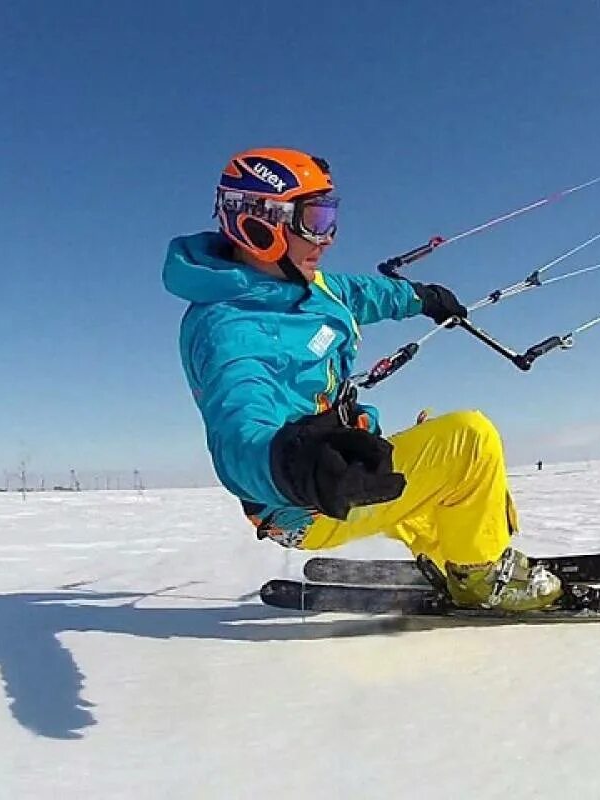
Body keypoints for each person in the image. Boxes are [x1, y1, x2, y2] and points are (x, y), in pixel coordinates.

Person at [162, 147, 562, 611]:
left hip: (345, 460)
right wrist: (302, 466)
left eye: (331, 218)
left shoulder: (302, 284)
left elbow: (358, 293)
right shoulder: (231, 329)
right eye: (314, 219)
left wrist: (419, 297)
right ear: (260, 222)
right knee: (469, 442)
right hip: (309, 500)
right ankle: (481, 577)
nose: (327, 237)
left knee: (428, 462)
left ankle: (448, 556)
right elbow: (238, 432)